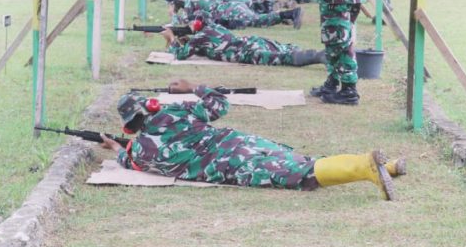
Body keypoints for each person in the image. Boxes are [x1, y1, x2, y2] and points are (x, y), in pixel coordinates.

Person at [102, 81, 404, 199]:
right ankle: (381, 170)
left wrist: (115, 147)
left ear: (130, 126)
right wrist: (192, 87)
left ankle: (366, 168)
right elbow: (219, 103)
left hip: (229, 166)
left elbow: (128, 160)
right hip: (238, 143)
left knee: (301, 175)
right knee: (302, 163)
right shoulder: (174, 113)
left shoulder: (141, 152)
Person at [162, 21, 322, 66]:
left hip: (245, 52)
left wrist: (171, 39)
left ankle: (316, 57)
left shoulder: (200, 37)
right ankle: (315, 54)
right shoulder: (215, 28)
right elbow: (209, 46)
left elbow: (180, 55)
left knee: (281, 58)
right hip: (252, 41)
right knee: (285, 48)